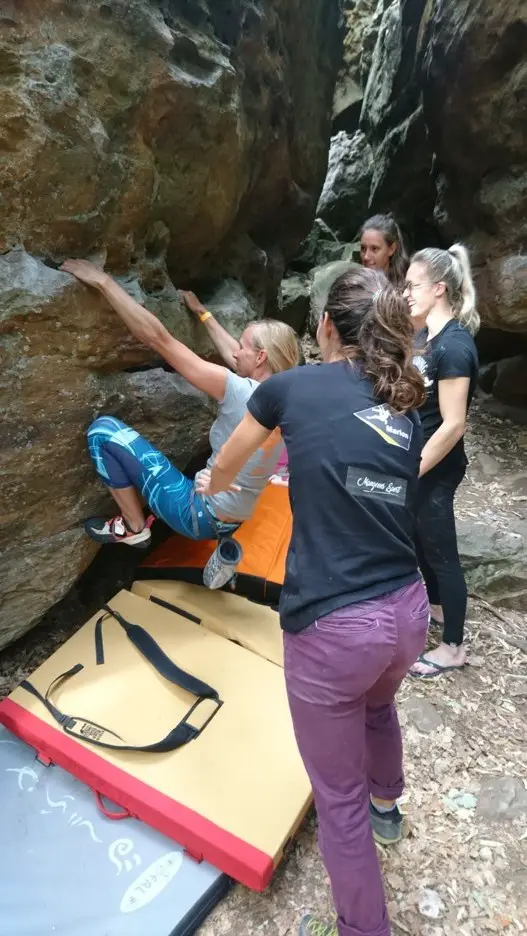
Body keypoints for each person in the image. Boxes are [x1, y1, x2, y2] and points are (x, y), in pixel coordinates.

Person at [196, 266, 429, 936]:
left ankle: (362, 927)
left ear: (324, 326)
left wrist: (210, 488)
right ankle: (392, 808)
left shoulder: (287, 389)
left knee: (337, 799)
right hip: (407, 611)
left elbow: (236, 464)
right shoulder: (402, 404)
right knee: (378, 703)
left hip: (334, 627)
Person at [59, 260, 300, 548]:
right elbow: (234, 356)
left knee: (102, 431)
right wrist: (202, 313)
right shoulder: (284, 398)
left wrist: (104, 282)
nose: (237, 351)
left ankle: (133, 527)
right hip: (228, 517)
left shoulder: (240, 392)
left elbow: (160, 340)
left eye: (243, 346)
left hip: (197, 511)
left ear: (260, 358)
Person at [403, 244, 479, 678]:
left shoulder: (455, 347)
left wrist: (412, 470)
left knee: (441, 550)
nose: (406, 292)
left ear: (438, 288)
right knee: (419, 542)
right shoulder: (421, 338)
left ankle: (453, 647)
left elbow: (453, 425)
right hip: (418, 460)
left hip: (438, 464)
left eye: (413, 286)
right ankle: (436, 606)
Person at [359, 214, 408, 288]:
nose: (366, 257)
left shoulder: (406, 289)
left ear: (391, 249)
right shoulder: (354, 285)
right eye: (363, 248)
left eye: (374, 249)